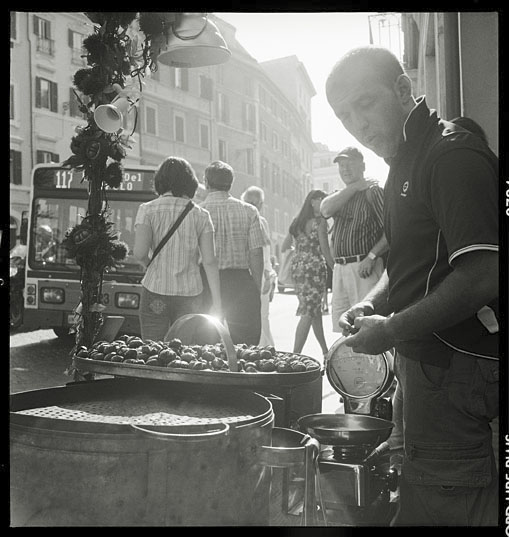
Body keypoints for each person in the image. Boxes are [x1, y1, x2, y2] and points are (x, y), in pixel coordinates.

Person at [326, 46, 499, 526]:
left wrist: (392, 330)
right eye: (344, 115)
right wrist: (370, 303)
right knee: (420, 498)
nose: (357, 123)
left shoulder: (451, 155)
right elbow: (412, 267)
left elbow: (483, 274)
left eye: (365, 103)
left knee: (445, 508)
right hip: (422, 366)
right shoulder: (404, 160)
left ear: (403, 90)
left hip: (457, 368)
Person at [133, 156, 222, 341]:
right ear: (190, 182)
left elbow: (139, 253)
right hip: (190, 294)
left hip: (155, 290)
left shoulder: (147, 210)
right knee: (185, 350)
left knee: (153, 349)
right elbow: (210, 261)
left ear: (160, 181)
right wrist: (217, 302)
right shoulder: (201, 215)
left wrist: (152, 267)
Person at [320, 146, 388, 334]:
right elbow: (324, 209)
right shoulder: (341, 194)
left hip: (364, 267)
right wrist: (354, 187)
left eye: (350, 164)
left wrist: (371, 256)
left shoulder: (373, 191)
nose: (345, 169)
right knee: (345, 328)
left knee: (368, 327)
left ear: (362, 166)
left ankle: (382, 364)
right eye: (342, 166)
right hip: (341, 269)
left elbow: (391, 231)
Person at [201, 161, 269, 345]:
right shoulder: (249, 211)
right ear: (231, 183)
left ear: (206, 182)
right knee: (245, 344)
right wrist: (254, 285)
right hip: (239, 281)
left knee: (206, 344)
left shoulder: (197, 212)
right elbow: (256, 254)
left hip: (205, 281)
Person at [281, 190, 334, 357]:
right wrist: (335, 269)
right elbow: (325, 250)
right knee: (308, 313)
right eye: (322, 199)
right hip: (315, 269)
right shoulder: (320, 223)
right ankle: (295, 355)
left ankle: (325, 351)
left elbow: (284, 246)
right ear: (312, 201)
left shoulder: (297, 222)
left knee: (314, 311)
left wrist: (301, 252)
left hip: (298, 269)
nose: (325, 202)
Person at [241, 186, 277, 347]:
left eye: (257, 203)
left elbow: (266, 254)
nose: (254, 206)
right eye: (249, 202)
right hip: (247, 277)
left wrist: (270, 277)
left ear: (261, 204)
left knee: (263, 318)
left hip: (263, 277)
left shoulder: (263, 223)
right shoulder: (242, 219)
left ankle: (264, 351)